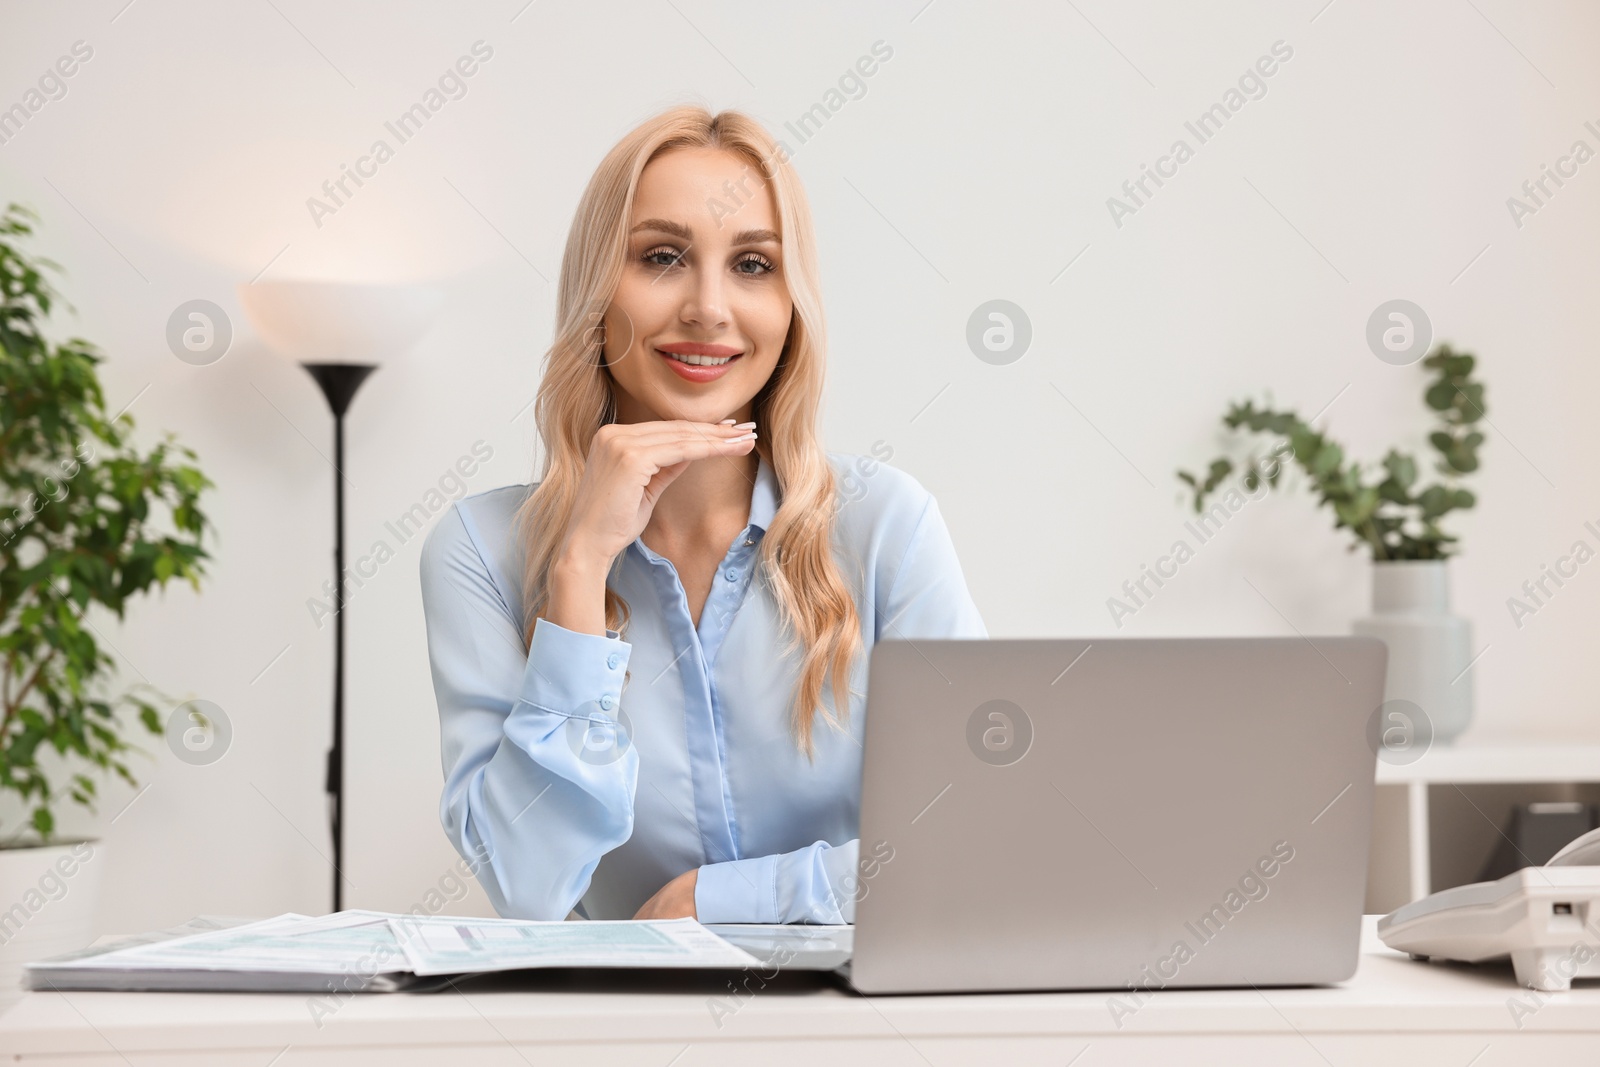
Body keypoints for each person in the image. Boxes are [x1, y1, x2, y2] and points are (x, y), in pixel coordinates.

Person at [419, 105, 985, 925]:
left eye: (753, 263)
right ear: (597, 291)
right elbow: (528, 886)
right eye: (661, 257)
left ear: (792, 306)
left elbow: (975, 838)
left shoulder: (885, 525)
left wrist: (717, 902)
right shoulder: (480, 550)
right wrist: (579, 572)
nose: (710, 307)